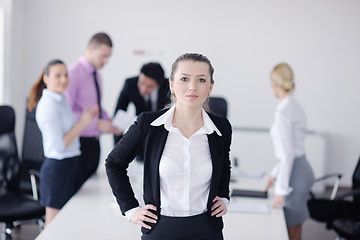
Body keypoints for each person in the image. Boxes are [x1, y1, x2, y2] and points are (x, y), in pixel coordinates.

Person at [105, 53, 232, 239]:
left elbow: (224, 163)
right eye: (184, 79)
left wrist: (223, 196)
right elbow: (114, 163)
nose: (192, 87)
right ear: (172, 85)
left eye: (201, 80)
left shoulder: (221, 127)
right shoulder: (148, 124)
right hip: (160, 229)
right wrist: (131, 209)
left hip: (207, 230)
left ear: (210, 87)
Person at [28, 59, 98, 226]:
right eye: (57, 75)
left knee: (67, 223)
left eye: (66, 75)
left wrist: (86, 119)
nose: (63, 79)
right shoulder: (48, 105)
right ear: (46, 78)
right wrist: (83, 122)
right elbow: (60, 144)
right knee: (54, 226)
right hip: (57, 170)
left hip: (70, 165)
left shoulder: (61, 100)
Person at [265, 63, 314, 240]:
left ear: (275, 85)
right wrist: (275, 173)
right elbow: (291, 149)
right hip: (302, 168)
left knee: (290, 231)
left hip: (296, 172)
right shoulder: (294, 105)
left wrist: (281, 190)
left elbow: (287, 154)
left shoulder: (283, 112)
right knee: (293, 229)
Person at [64, 32, 121, 185]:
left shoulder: (97, 75)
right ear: (90, 49)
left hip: (93, 145)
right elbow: (66, 113)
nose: (106, 60)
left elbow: (93, 106)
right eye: (103, 56)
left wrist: (108, 120)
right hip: (78, 144)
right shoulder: (72, 73)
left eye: (109, 56)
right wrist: (96, 124)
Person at [113, 62, 171, 144]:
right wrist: (117, 150)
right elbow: (118, 116)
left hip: (161, 131)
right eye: (141, 83)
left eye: (149, 86)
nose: (143, 89)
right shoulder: (130, 84)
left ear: (159, 84)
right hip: (139, 128)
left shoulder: (169, 88)